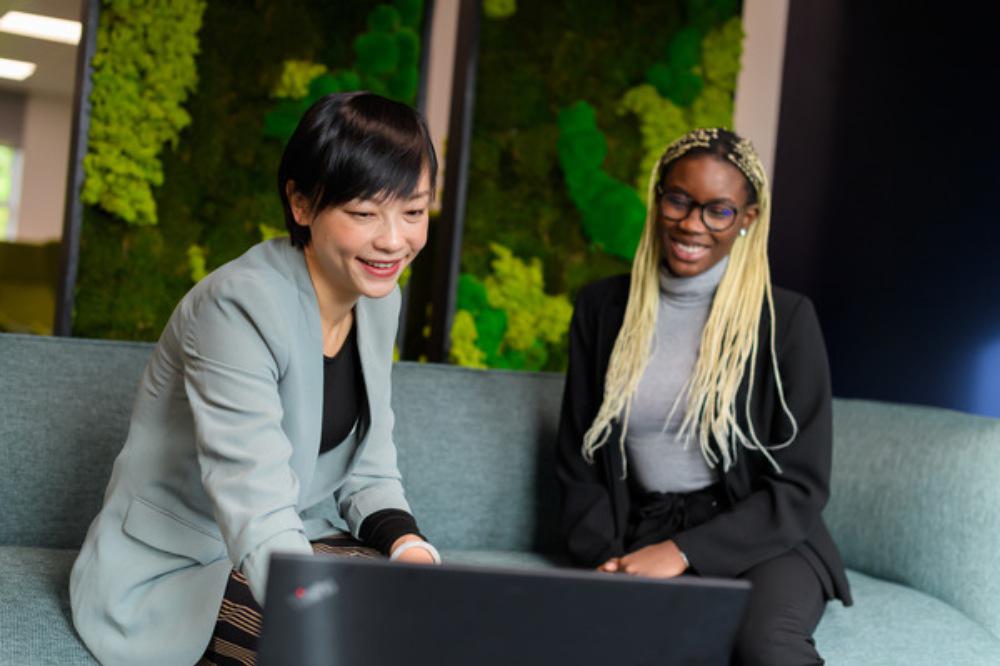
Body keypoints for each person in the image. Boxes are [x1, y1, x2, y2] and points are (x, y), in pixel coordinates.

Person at [70, 91, 441, 666]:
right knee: (358, 644)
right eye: (365, 213)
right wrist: (323, 619)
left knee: (432, 621)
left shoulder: (377, 298)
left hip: (294, 540)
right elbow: (255, 502)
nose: (394, 240)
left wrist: (408, 546)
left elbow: (368, 467)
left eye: (413, 212)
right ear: (301, 204)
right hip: (185, 566)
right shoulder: (236, 306)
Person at [556, 127, 852, 665]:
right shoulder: (603, 310)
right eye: (679, 201)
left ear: (747, 220)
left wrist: (684, 553)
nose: (692, 224)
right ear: (659, 198)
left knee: (764, 648)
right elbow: (579, 460)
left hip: (764, 537)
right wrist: (606, 561)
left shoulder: (784, 320)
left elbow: (802, 486)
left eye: (718, 210)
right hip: (642, 527)